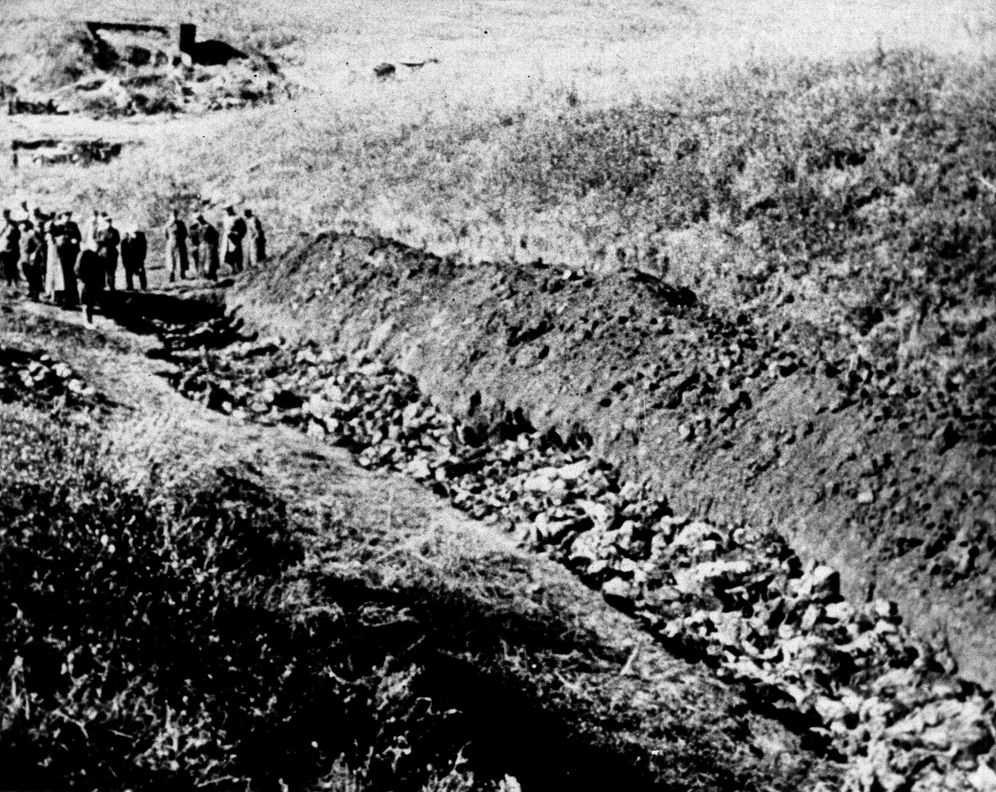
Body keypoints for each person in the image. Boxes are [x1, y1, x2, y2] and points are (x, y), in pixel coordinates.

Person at [53, 210, 81, 307]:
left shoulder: (73, 225)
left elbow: (79, 237)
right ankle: (62, 299)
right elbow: (53, 238)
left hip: (72, 254)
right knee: (62, 277)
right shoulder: (57, 226)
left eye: (69, 215)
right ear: (61, 216)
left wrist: (75, 240)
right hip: (61, 254)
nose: (68, 217)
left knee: (71, 276)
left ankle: (72, 299)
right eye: (66, 215)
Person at [74, 243, 104, 324]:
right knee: (86, 302)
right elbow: (77, 269)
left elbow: (101, 270)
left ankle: (89, 319)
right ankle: (87, 320)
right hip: (85, 281)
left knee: (90, 302)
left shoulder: (97, 255)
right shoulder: (84, 254)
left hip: (92, 282)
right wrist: (81, 279)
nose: (98, 248)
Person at [18, 219, 44, 300]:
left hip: (32, 258)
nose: (20, 226)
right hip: (24, 257)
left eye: (22, 224)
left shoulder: (31, 234)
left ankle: (36, 295)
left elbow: (39, 244)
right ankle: (31, 291)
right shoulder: (22, 234)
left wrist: (34, 253)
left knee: (34, 276)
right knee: (27, 275)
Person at [95, 215, 121, 290]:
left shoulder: (115, 231)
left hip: (112, 253)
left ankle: (111, 286)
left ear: (111, 222)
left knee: (111, 271)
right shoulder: (100, 232)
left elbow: (117, 241)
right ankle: (102, 286)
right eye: (106, 222)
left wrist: (106, 242)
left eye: (109, 222)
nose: (107, 223)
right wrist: (97, 252)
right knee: (101, 271)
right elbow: (97, 241)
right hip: (102, 254)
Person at [220, 205, 246, 274]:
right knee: (228, 254)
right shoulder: (225, 219)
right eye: (226, 210)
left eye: (229, 210)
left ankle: (239, 268)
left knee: (237, 253)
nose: (228, 211)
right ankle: (230, 270)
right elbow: (224, 229)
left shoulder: (238, 218)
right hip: (227, 239)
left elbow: (243, 229)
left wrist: (237, 235)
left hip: (235, 239)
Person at [165, 208, 189, 283]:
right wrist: (171, 240)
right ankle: (171, 275)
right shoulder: (167, 224)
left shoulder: (181, 223)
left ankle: (182, 274)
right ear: (170, 216)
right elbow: (166, 235)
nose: (174, 216)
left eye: (175, 215)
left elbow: (185, 233)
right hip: (171, 243)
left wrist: (181, 240)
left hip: (180, 243)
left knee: (182, 258)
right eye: (172, 215)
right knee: (171, 259)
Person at [121, 225, 148, 291]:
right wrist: (124, 262)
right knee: (128, 274)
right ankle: (130, 287)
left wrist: (142, 259)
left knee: (141, 272)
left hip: (138, 259)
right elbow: (123, 253)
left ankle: (143, 287)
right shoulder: (124, 240)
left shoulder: (141, 237)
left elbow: (144, 249)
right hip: (129, 260)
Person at [43, 219, 64, 303]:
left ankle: (56, 298)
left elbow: (59, 249)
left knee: (57, 279)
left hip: (56, 260)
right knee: (51, 278)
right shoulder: (49, 237)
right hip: (50, 260)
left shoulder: (59, 238)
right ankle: (52, 296)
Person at [1, 209, 21, 290]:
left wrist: (10, 238)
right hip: (4, 247)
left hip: (13, 248)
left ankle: (16, 282)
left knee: (13, 266)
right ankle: (9, 281)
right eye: (4, 215)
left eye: (6, 214)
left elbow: (18, 235)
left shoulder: (14, 224)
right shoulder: (4, 223)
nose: (5, 216)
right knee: (6, 266)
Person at [196, 214, 220, 280]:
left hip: (209, 245)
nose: (199, 220)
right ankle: (205, 276)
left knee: (210, 261)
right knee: (202, 261)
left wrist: (214, 244)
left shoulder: (208, 226)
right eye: (198, 219)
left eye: (200, 219)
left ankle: (212, 276)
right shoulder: (199, 227)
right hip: (202, 246)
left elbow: (216, 235)